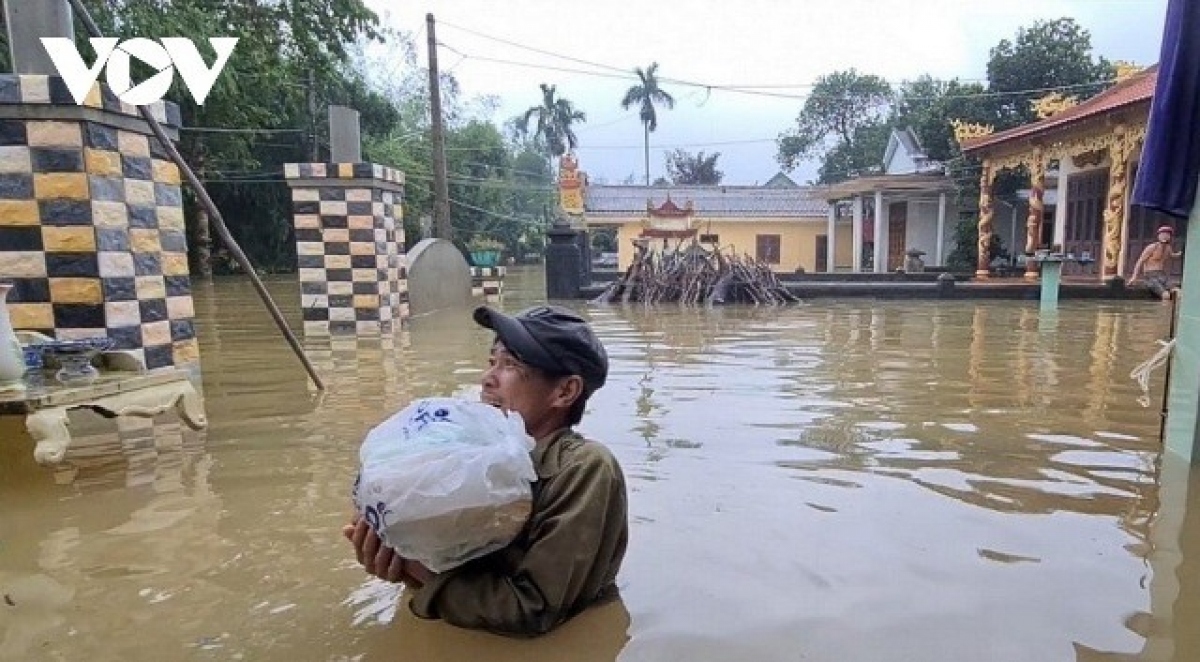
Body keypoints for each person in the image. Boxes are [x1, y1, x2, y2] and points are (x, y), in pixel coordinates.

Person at [343, 304, 629, 638]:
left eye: (510, 364)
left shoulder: (585, 468)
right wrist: (396, 551)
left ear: (565, 391)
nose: (487, 379)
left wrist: (418, 572)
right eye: (491, 362)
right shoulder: (467, 457)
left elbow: (532, 610)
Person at [1130, 225, 1184, 301]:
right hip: (1150, 276)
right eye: (1163, 234)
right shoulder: (1152, 247)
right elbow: (1140, 261)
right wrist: (1134, 277)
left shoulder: (1168, 248)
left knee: (1178, 292)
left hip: (1162, 275)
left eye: (1167, 235)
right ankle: (1163, 311)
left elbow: (1173, 255)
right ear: (1159, 236)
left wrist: (1183, 252)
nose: (1165, 236)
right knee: (1166, 295)